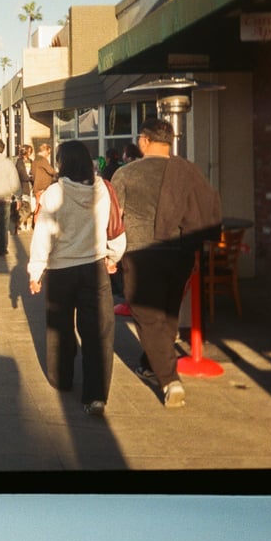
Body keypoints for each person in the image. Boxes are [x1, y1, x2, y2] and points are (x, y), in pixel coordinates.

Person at [112, 118, 221, 408]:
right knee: (167, 311)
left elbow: (115, 216)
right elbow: (207, 205)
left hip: (140, 252)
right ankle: (150, 363)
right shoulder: (189, 170)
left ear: (144, 140)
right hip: (181, 252)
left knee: (147, 316)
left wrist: (109, 254)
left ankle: (169, 380)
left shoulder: (126, 174)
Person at [28, 139, 126, 416]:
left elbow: (43, 234)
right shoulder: (103, 189)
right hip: (94, 267)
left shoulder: (54, 193)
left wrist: (37, 271)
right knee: (98, 332)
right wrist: (113, 257)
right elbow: (115, 228)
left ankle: (62, 379)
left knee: (59, 327)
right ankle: (95, 396)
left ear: (63, 163)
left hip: (60, 271)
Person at [31, 141, 56, 222]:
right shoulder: (42, 160)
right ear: (45, 151)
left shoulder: (35, 160)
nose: (49, 154)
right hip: (42, 188)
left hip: (37, 187)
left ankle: (36, 225)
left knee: (38, 207)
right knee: (40, 208)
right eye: (49, 152)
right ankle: (37, 226)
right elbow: (51, 171)